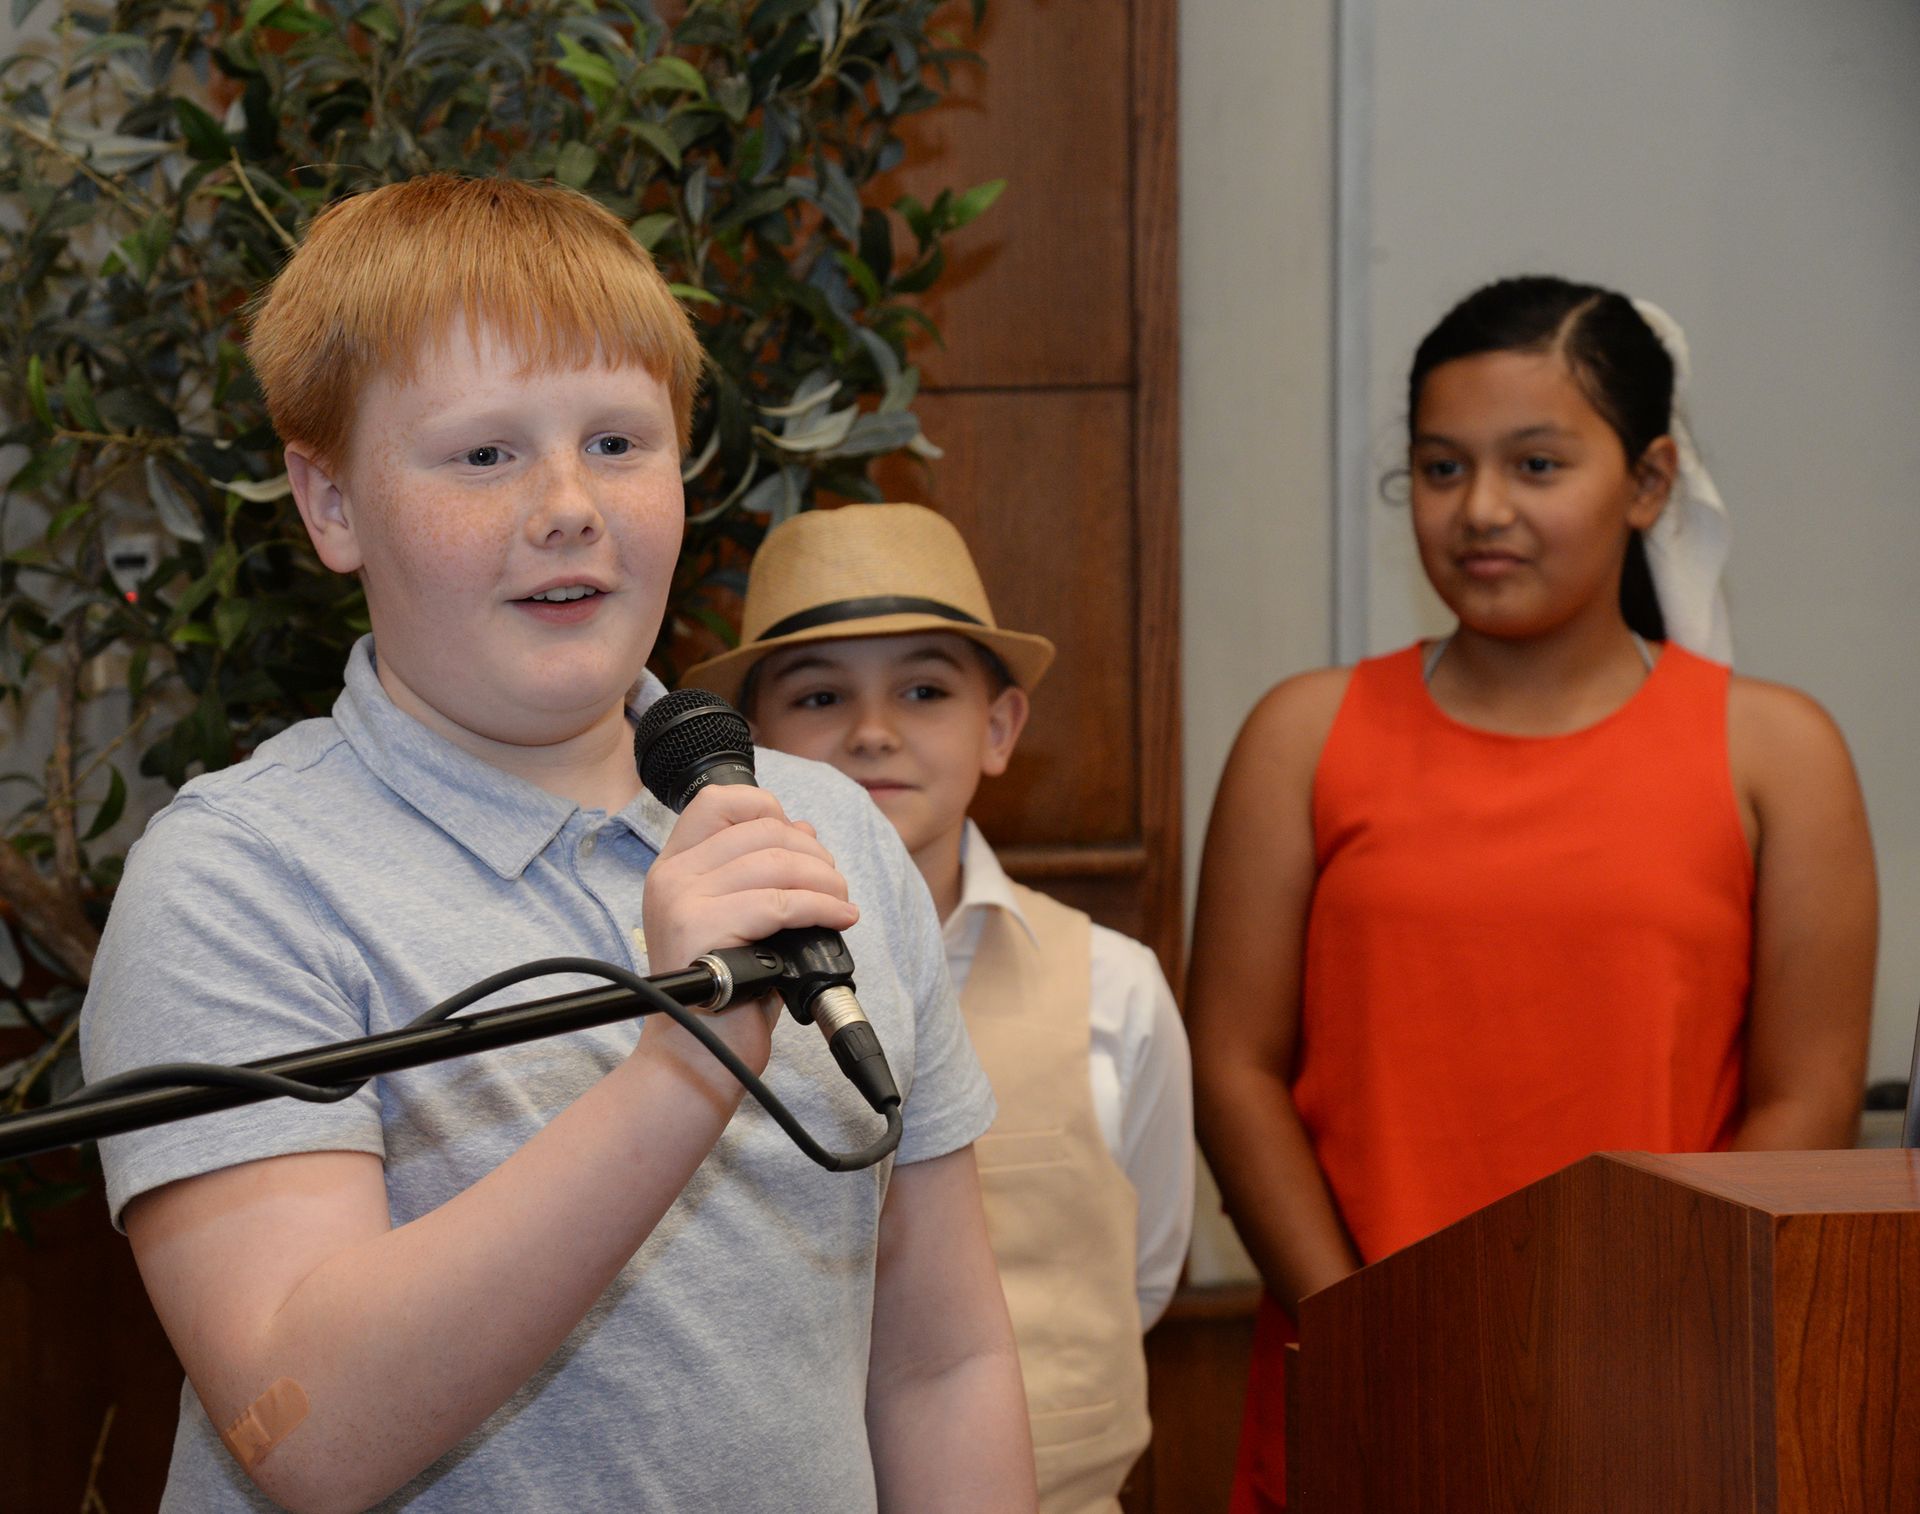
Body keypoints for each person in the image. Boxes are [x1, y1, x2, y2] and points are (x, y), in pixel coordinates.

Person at [78, 176, 1036, 1513]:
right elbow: (306, 1432)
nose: (569, 503)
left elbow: (940, 1363)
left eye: (619, 442)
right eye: (485, 455)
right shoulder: (240, 877)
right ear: (331, 501)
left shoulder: (818, 830)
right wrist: (686, 1058)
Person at [1186, 276, 1878, 1513]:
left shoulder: (1777, 753)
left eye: (1538, 464)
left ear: (1649, 481)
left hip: (1668, 1390)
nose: (1482, 509)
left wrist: (1633, 1334)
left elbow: (1808, 1097)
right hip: (1362, 1380)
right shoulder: (1303, 734)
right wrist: (1368, 1324)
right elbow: (1233, 1063)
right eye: (1441, 468)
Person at [684, 502, 1195, 1513]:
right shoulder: (688, 998)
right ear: (752, 748)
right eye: (820, 695)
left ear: (998, 728)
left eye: (924, 690)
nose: (873, 733)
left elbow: (1143, 1273)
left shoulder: (1115, 985)